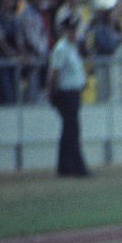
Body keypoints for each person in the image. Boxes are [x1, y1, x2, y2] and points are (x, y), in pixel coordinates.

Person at [46, 15, 90, 177]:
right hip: (66, 93)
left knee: (68, 130)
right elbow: (54, 73)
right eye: (71, 30)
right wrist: (52, 93)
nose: (73, 33)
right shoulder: (61, 48)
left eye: (75, 30)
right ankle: (78, 167)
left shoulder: (72, 47)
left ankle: (65, 167)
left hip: (74, 92)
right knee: (72, 130)